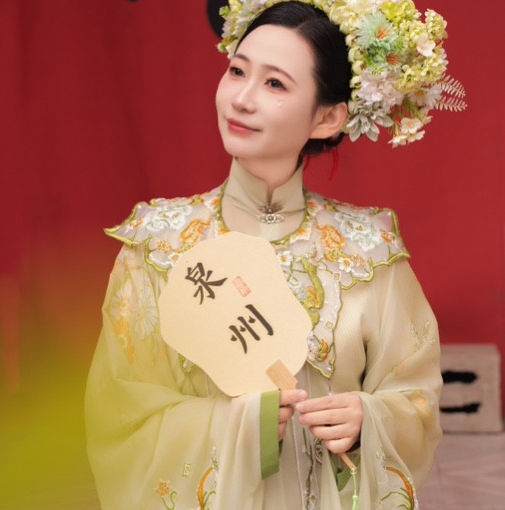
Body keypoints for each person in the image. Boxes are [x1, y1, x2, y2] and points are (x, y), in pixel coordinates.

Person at [86, 1, 465, 508]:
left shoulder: (368, 250)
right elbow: (118, 414)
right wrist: (240, 425)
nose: (241, 99)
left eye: (275, 84)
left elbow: (416, 397)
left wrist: (368, 420)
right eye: (237, 71)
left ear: (327, 118)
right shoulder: (158, 246)